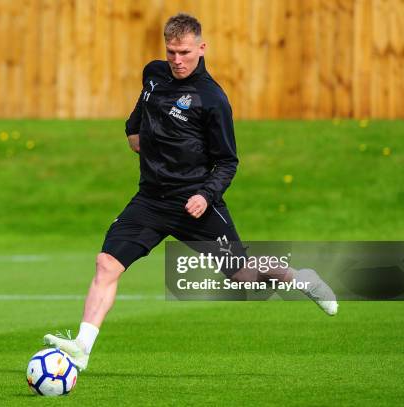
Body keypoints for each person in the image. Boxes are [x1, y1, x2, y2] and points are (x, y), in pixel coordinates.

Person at [44, 13, 337, 371]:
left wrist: (205, 195)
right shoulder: (153, 73)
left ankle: (300, 278)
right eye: (171, 52)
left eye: (184, 52)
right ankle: (82, 349)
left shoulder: (212, 99)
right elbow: (137, 116)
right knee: (106, 264)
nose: (177, 60)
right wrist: (135, 134)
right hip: (150, 200)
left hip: (193, 204)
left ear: (201, 48)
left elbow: (228, 161)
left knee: (243, 275)